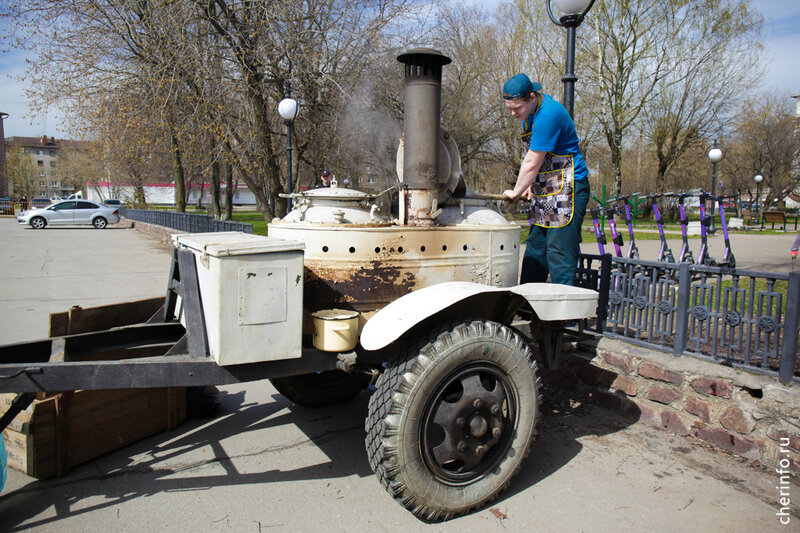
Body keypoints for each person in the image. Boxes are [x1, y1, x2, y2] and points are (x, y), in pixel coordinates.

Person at [501, 73, 590, 286]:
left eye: (517, 108)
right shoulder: (528, 116)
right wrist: (530, 185)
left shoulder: (548, 115)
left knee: (559, 252)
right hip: (548, 186)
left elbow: (532, 161)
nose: (513, 113)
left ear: (532, 97)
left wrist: (515, 191)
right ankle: (528, 308)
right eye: (509, 108)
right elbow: (537, 156)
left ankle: (563, 317)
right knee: (536, 248)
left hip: (570, 187)